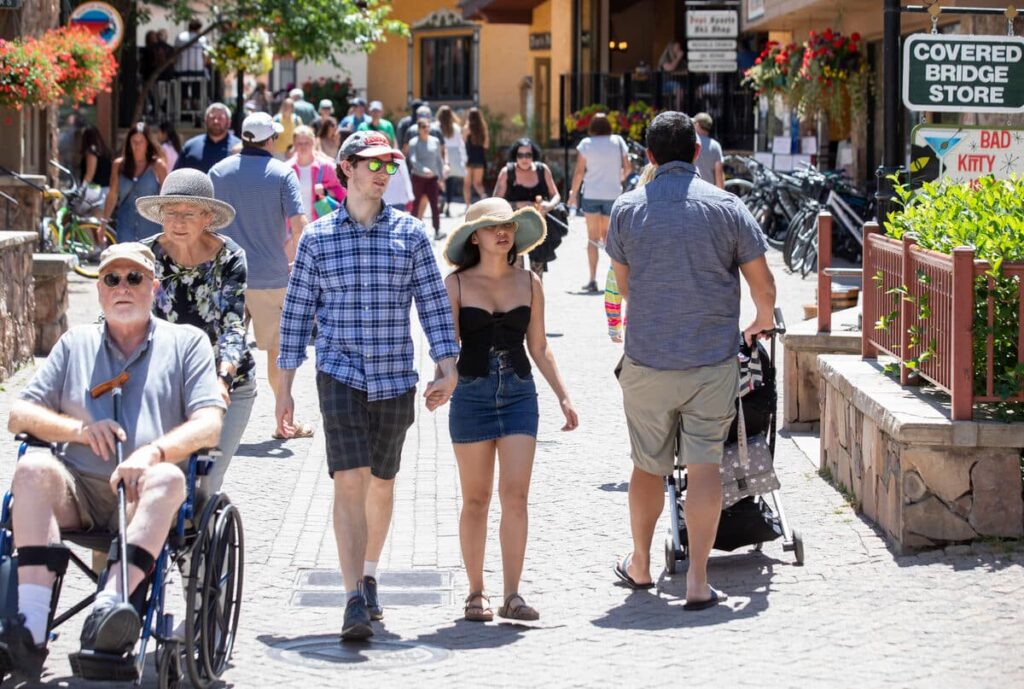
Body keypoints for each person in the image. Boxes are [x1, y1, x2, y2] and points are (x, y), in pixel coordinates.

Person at [1, 243, 224, 682]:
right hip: (79, 489)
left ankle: (110, 611)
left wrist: (154, 451)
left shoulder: (187, 343)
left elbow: (210, 424)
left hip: (144, 496)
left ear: (154, 287)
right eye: (112, 279)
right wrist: (78, 431)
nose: (123, 287)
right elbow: (18, 415)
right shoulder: (75, 343)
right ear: (100, 291)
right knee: (32, 469)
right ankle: (28, 627)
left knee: (167, 478)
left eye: (135, 278)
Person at [276, 130, 460, 641]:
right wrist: (284, 389)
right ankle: (353, 596)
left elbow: (433, 306)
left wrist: (448, 365)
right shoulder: (317, 238)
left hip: (396, 376)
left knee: (381, 482)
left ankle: (371, 574)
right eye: (373, 165)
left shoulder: (411, 234)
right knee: (350, 481)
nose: (383, 174)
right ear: (348, 168)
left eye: (389, 166)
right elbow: (294, 318)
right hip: (339, 373)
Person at [605, 112, 776, 609]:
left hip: (648, 358)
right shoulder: (727, 207)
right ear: (698, 152)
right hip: (711, 359)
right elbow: (763, 286)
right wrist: (759, 322)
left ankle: (640, 564)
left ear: (650, 157)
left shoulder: (626, 209)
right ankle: (698, 580)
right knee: (704, 470)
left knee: (646, 466)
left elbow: (625, 283)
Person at [441, 197, 578, 623]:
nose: (503, 233)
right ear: (474, 237)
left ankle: (513, 595)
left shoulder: (530, 282)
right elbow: (447, 348)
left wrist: (563, 394)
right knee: (476, 499)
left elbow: (539, 346)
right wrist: (441, 379)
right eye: (493, 227)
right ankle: (476, 593)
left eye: (509, 227)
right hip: (472, 394)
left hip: (520, 393)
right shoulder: (457, 285)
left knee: (516, 497)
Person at [133, 169, 254, 500]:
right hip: (166, 384)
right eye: (171, 212)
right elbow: (121, 314)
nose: (178, 221)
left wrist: (222, 381)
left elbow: (233, 324)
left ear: (208, 217)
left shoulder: (229, 257)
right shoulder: (144, 257)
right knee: (154, 477)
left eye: (189, 213)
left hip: (225, 384)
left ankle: (193, 548)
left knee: (201, 487)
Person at [209, 112, 311, 439]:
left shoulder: (218, 172)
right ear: (270, 141)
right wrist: (294, 261)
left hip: (226, 278)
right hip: (272, 277)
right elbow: (299, 226)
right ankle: (284, 424)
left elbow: (205, 222)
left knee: (224, 350)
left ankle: (210, 424)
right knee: (277, 354)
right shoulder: (282, 174)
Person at [568, 113, 631, 293]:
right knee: (610, 239)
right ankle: (616, 281)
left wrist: (573, 193)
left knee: (592, 238)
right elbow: (628, 168)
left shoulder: (586, 144)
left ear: (592, 127)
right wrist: (617, 179)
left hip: (592, 193)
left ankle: (592, 279)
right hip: (612, 194)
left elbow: (579, 172)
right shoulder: (618, 141)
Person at [492, 138, 562, 276]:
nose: (524, 159)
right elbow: (495, 202)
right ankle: (521, 297)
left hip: (538, 227)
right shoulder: (507, 173)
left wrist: (549, 205)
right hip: (514, 228)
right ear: (515, 156)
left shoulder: (542, 170)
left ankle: (536, 296)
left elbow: (556, 196)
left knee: (537, 272)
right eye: (520, 155)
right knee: (517, 271)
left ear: (533, 155)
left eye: (528, 155)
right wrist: (517, 205)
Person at [101, 123, 168, 244]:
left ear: (147, 143)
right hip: (126, 227)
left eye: (140, 142)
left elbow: (166, 197)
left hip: (151, 229)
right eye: (134, 142)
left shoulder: (157, 166)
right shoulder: (119, 165)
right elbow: (112, 195)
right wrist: (103, 223)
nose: (137, 146)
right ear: (129, 143)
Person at [286, 125, 346, 220]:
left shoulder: (327, 167)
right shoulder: (287, 169)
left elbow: (344, 193)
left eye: (307, 143)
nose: (303, 146)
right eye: (299, 143)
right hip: (294, 226)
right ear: (294, 144)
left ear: (313, 142)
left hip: (320, 224)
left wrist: (326, 191)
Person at [407, 117, 448, 240]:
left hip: (432, 179)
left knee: (435, 204)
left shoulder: (435, 141)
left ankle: (437, 230)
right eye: (423, 127)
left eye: (428, 127)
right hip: (418, 178)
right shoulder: (413, 142)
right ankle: (411, 230)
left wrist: (441, 177)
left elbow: (438, 160)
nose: (426, 129)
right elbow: (413, 159)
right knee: (416, 203)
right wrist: (423, 169)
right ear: (419, 129)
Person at [175, 103, 242, 174]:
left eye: (220, 118)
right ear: (206, 121)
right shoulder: (190, 147)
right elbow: (176, 176)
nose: (216, 121)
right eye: (212, 118)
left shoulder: (239, 148)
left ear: (229, 122)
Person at [437, 105, 466, 216]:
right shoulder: (456, 128)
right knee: (450, 182)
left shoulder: (436, 127)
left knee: (439, 180)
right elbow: (461, 144)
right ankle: (448, 204)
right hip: (453, 155)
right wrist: (463, 158)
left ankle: (441, 200)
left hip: (440, 152)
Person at [174, 19, 208, 111]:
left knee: (183, 87)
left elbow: (175, 54)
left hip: (181, 69)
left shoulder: (180, 37)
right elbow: (205, 55)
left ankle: (184, 103)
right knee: (197, 86)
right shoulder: (202, 39)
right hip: (197, 70)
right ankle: (196, 103)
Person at [462, 107, 489, 206]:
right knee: (478, 183)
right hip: (479, 157)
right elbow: (486, 145)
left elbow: (463, 142)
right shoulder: (483, 128)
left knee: (467, 184)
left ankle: (468, 205)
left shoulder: (466, 128)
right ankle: (484, 196)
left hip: (468, 158)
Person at [693, 112, 725, 189]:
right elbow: (719, 177)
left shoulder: (690, 142)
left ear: (697, 125)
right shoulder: (715, 146)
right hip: (708, 193)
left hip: (690, 191)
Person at [80, 125, 113, 191]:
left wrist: (81, 189)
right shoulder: (104, 151)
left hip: (95, 191)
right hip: (106, 189)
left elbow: (89, 174)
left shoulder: (92, 153)